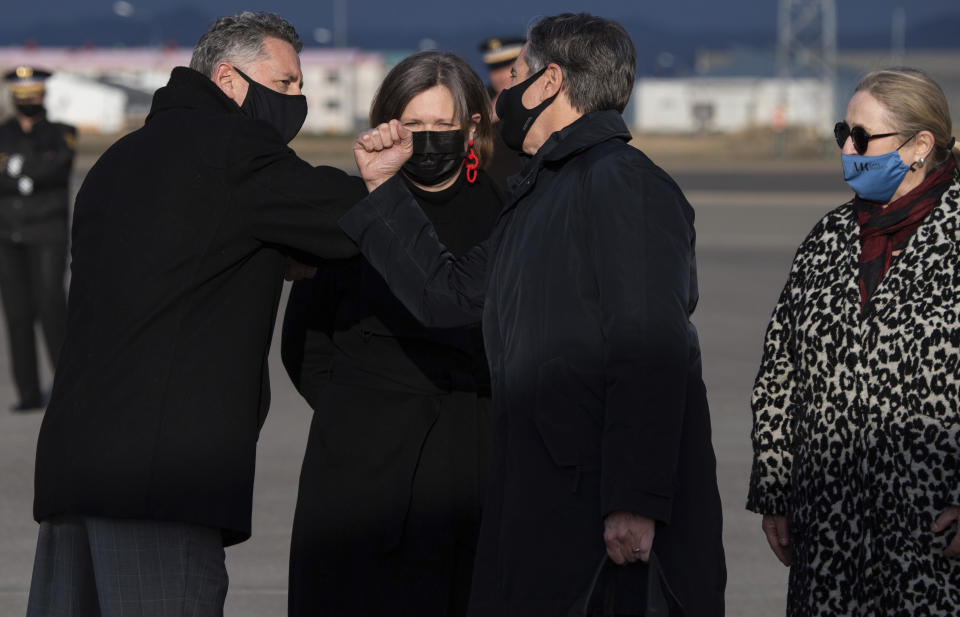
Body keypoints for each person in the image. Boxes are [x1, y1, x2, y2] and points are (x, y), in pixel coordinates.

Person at [342, 13, 725, 617]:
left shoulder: (622, 183)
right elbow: (448, 296)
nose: (498, 100)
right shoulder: (543, 192)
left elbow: (651, 346)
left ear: (548, 83)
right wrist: (385, 190)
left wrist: (635, 498)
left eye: (513, 75)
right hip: (542, 500)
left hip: (603, 521)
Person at [26, 12, 367, 617]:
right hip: (161, 481)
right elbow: (347, 217)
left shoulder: (119, 161)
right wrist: (392, 174)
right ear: (231, 80)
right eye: (286, 83)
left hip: (76, 469)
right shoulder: (236, 148)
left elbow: (186, 255)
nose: (299, 98)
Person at [281, 50, 501, 617]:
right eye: (415, 125)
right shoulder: (355, 205)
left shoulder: (504, 208)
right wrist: (350, 409)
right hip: (361, 450)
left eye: (442, 126)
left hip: (466, 447)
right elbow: (305, 337)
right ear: (388, 124)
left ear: (472, 127)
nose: (428, 139)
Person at [748, 67, 960, 616]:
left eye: (862, 137)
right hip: (829, 542)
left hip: (934, 547)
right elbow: (780, 374)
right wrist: (775, 491)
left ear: (919, 147)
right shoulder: (827, 240)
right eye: (843, 131)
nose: (846, 147)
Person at [0, 66, 74, 412]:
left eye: (33, 95)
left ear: (42, 96)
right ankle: (28, 393)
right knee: (17, 315)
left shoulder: (62, 133)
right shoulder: (3, 134)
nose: (28, 102)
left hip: (47, 232)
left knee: (51, 308)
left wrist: (17, 171)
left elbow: (57, 169)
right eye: (22, 96)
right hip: (8, 233)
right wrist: (29, 174)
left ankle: (67, 389)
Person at [477, 36, 526, 191]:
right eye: (494, 69)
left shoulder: (538, 97)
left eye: (507, 67)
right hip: (488, 188)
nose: (499, 76)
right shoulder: (480, 99)